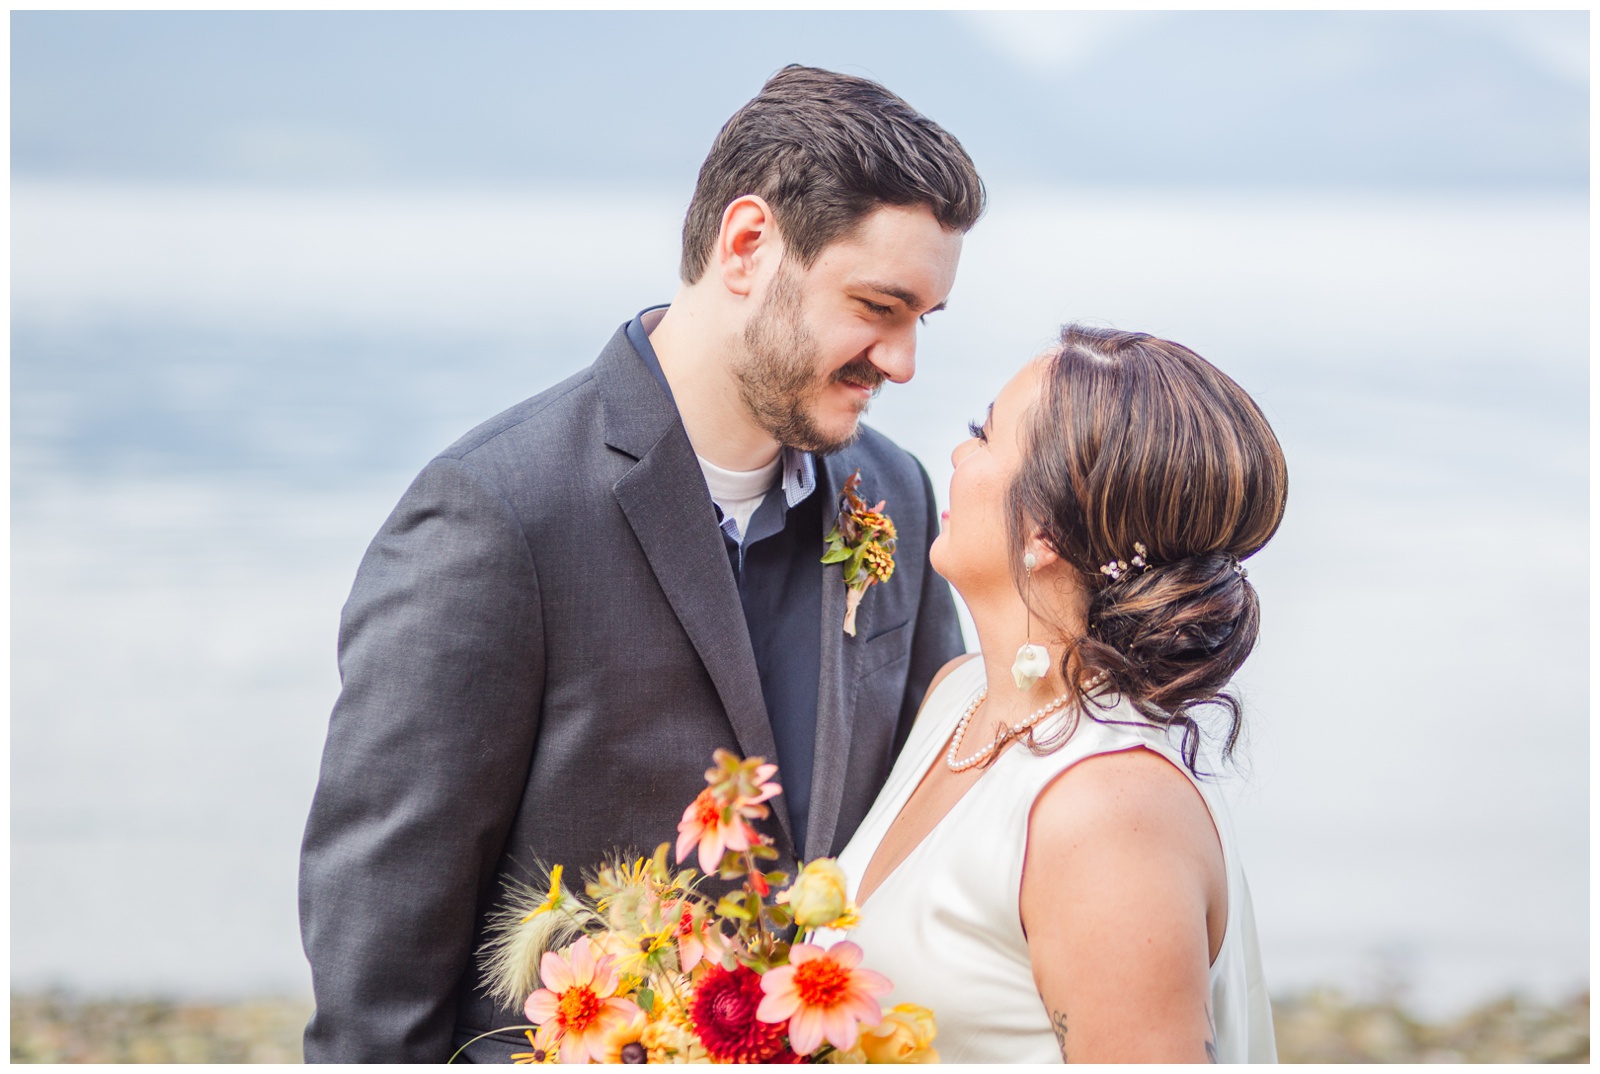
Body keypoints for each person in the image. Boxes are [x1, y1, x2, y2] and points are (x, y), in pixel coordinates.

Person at [296, 65, 985, 1062]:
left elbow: (932, 813)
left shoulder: (899, 492)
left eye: (924, 318)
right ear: (747, 245)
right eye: (879, 305)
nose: (904, 361)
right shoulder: (495, 513)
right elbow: (378, 960)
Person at [817, 324, 1287, 1062]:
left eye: (984, 435)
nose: (956, 453)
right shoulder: (956, 697)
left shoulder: (1109, 809)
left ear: (1044, 532)